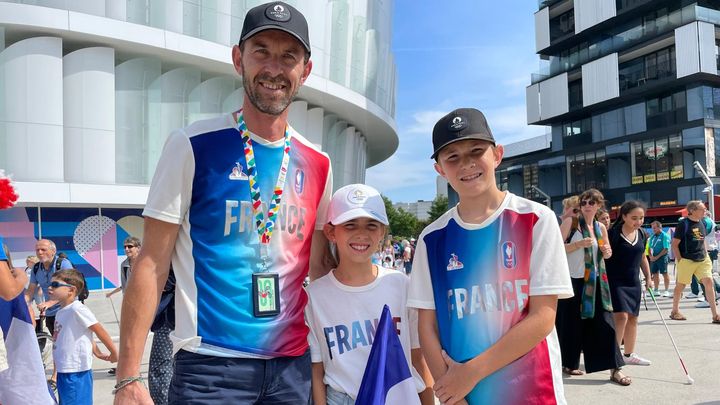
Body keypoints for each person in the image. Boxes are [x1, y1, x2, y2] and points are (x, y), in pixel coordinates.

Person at [113, 2, 333, 403]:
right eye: (261, 51)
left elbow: (320, 268)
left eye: (289, 56)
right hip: (210, 368)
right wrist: (128, 377)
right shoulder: (193, 143)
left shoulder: (319, 162)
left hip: (292, 368)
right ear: (238, 59)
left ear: (305, 70)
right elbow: (151, 261)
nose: (274, 67)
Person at [408, 108, 574, 404]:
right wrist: (451, 395)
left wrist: (471, 372)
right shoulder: (431, 238)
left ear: (497, 154)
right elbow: (426, 326)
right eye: (453, 157)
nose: (467, 164)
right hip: (465, 396)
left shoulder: (536, 219)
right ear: (440, 169)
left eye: (476, 151)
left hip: (533, 391)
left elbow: (544, 317)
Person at [305, 184, 426, 404]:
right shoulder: (314, 296)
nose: (361, 234)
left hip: (397, 395)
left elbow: (417, 356)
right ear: (332, 232)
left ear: (382, 232)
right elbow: (317, 368)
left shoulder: (400, 284)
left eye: (371, 225)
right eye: (350, 225)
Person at [555, 189, 627, 384]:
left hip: (596, 281)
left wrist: (607, 250)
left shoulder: (600, 228)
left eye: (591, 202)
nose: (587, 205)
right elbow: (555, 248)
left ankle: (615, 368)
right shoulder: (571, 223)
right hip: (574, 280)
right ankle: (569, 363)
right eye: (584, 202)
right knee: (571, 325)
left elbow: (607, 253)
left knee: (606, 323)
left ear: (598, 205)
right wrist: (578, 245)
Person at [49, 269, 118, 405]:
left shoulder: (77, 309)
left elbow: (98, 330)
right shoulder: (61, 312)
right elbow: (84, 335)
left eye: (55, 285)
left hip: (76, 371)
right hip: (64, 370)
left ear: (71, 290)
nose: (50, 288)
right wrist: (97, 352)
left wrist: (114, 352)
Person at [605, 201, 653, 367]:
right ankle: (614, 355)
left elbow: (642, 257)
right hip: (615, 281)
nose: (638, 221)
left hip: (633, 282)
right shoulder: (612, 234)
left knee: (633, 318)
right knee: (621, 316)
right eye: (634, 218)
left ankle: (629, 354)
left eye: (641, 218)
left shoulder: (642, 234)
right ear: (623, 216)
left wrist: (648, 277)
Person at [669, 201, 720, 323]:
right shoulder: (683, 224)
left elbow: (702, 240)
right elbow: (674, 244)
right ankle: (675, 311)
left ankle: (715, 315)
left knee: (709, 283)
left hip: (703, 258)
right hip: (687, 259)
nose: (705, 211)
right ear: (692, 210)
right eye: (702, 209)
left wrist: (706, 253)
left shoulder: (702, 222)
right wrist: (680, 260)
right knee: (681, 286)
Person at [105, 237, 141, 376]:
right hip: (131, 304)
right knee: (129, 336)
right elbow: (124, 285)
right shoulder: (124, 264)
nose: (126, 249)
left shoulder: (146, 262)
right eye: (125, 246)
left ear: (138, 247)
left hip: (149, 303)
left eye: (130, 246)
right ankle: (126, 366)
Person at [25, 239, 73, 335]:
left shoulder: (63, 264)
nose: (40, 252)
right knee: (58, 344)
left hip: (67, 310)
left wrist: (50, 302)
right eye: (37, 250)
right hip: (50, 313)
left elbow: (70, 288)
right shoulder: (36, 268)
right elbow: (30, 290)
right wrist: (22, 303)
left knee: (71, 342)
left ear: (53, 251)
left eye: (43, 249)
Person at [648, 221, 672, 297]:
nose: (653, 230)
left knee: (664, 273)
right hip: (654, 257)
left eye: (655, 228)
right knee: (655, 274)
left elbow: (666, 249)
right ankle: (656, 290)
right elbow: (649, 247)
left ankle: (666, 290)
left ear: (659, 227)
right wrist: (651, 256)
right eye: (652, 228)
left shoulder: (665, 236)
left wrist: (656, 257)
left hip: (662, 257)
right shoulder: (652, 236)